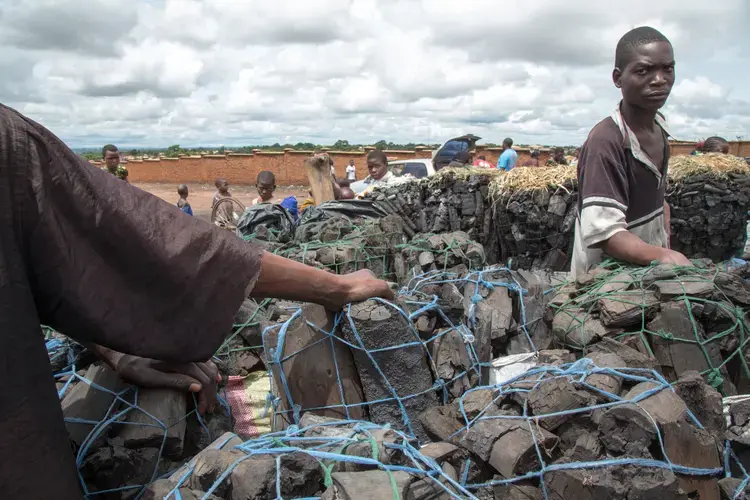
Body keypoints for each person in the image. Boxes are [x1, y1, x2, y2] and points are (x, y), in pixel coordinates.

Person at [0, 103, 393, 498]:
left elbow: (70, 257)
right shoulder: (8, 146)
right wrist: (331, 287)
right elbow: (154, 243)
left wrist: (113, 347)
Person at [572, 26, 691, 277]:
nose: (660, 79)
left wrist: (661, 209)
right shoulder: (606, 141)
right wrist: (663, 255)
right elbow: (606, 233)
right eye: (643, 70)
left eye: (667, 69)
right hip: (605, 281)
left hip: (644, 271)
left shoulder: (660, 129)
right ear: (618, 78)